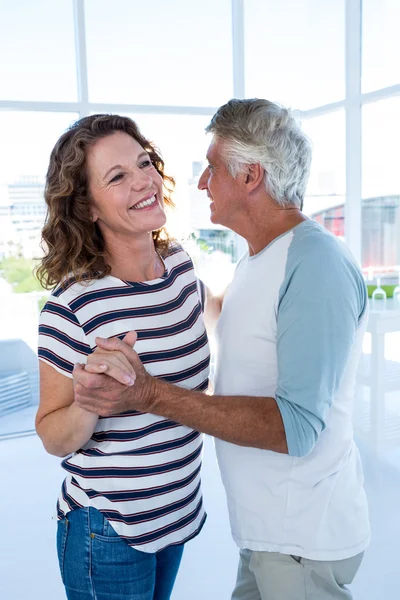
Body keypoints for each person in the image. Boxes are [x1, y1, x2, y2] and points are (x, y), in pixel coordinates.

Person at [74, 99, 371, 600]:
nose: (201, 182)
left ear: (250, 175)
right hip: (270, 536)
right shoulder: (260, 258)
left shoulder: (314, 263)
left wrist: (149, 395)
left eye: (212, 167)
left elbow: (294, 427)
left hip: (303, 542)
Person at [35, 114, 211, 600]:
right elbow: (52, 433)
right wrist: (90, 401)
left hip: (176, 513)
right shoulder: (73, 306)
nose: (144, 180)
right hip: (106, 530)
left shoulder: (179, 266)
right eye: (117, 177)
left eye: (144, 163)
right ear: (88, 207)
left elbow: (208, 317)